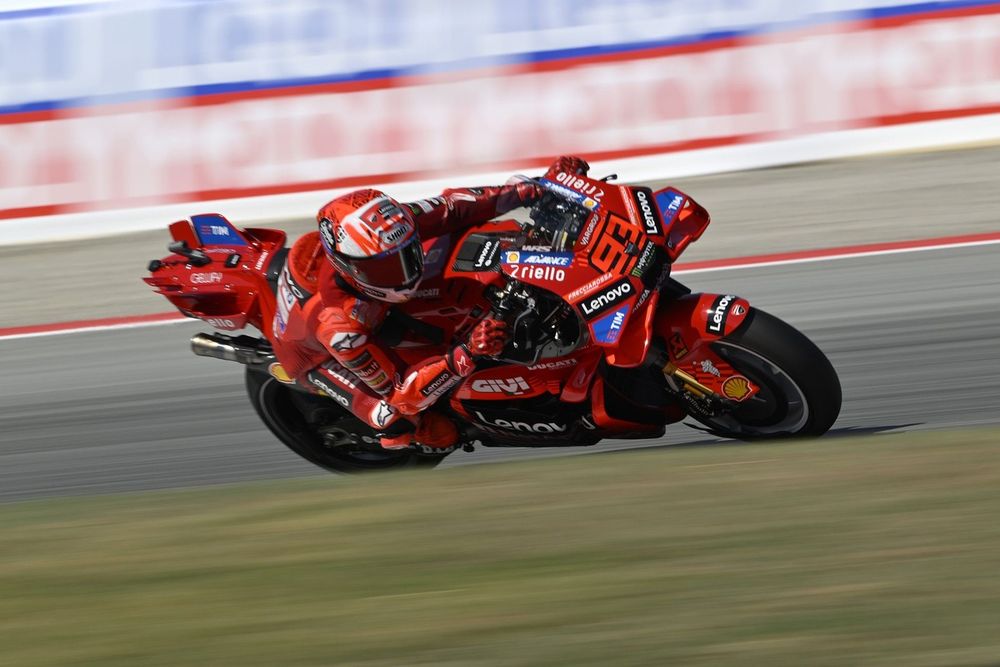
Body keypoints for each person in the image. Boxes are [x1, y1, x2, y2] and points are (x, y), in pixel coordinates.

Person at [269, 155, 591, 452]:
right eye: (383, 268)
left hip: (382, 316)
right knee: (399, 422)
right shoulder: (341, 328)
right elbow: (399, 392)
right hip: (311, 356)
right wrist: (466, 354)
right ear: (349, 268)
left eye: (405, 254)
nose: (403, 272)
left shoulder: (393, 224)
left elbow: (455, 206)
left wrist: (527, 191)